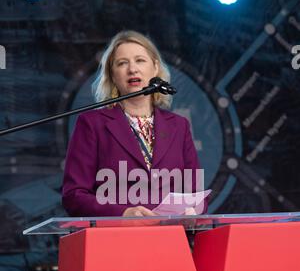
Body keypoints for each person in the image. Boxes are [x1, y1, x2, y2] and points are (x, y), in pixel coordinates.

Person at [62, 30, 203, 217]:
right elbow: (74, 196)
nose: (132, 69)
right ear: (112, 75)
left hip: (171, 237)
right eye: (122, 63)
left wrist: (193, 210)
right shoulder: (92, 124)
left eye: (140, 60)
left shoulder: (179, 126)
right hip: (116, 239)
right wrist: (124, 213)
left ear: (155, 68)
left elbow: (196, 192)